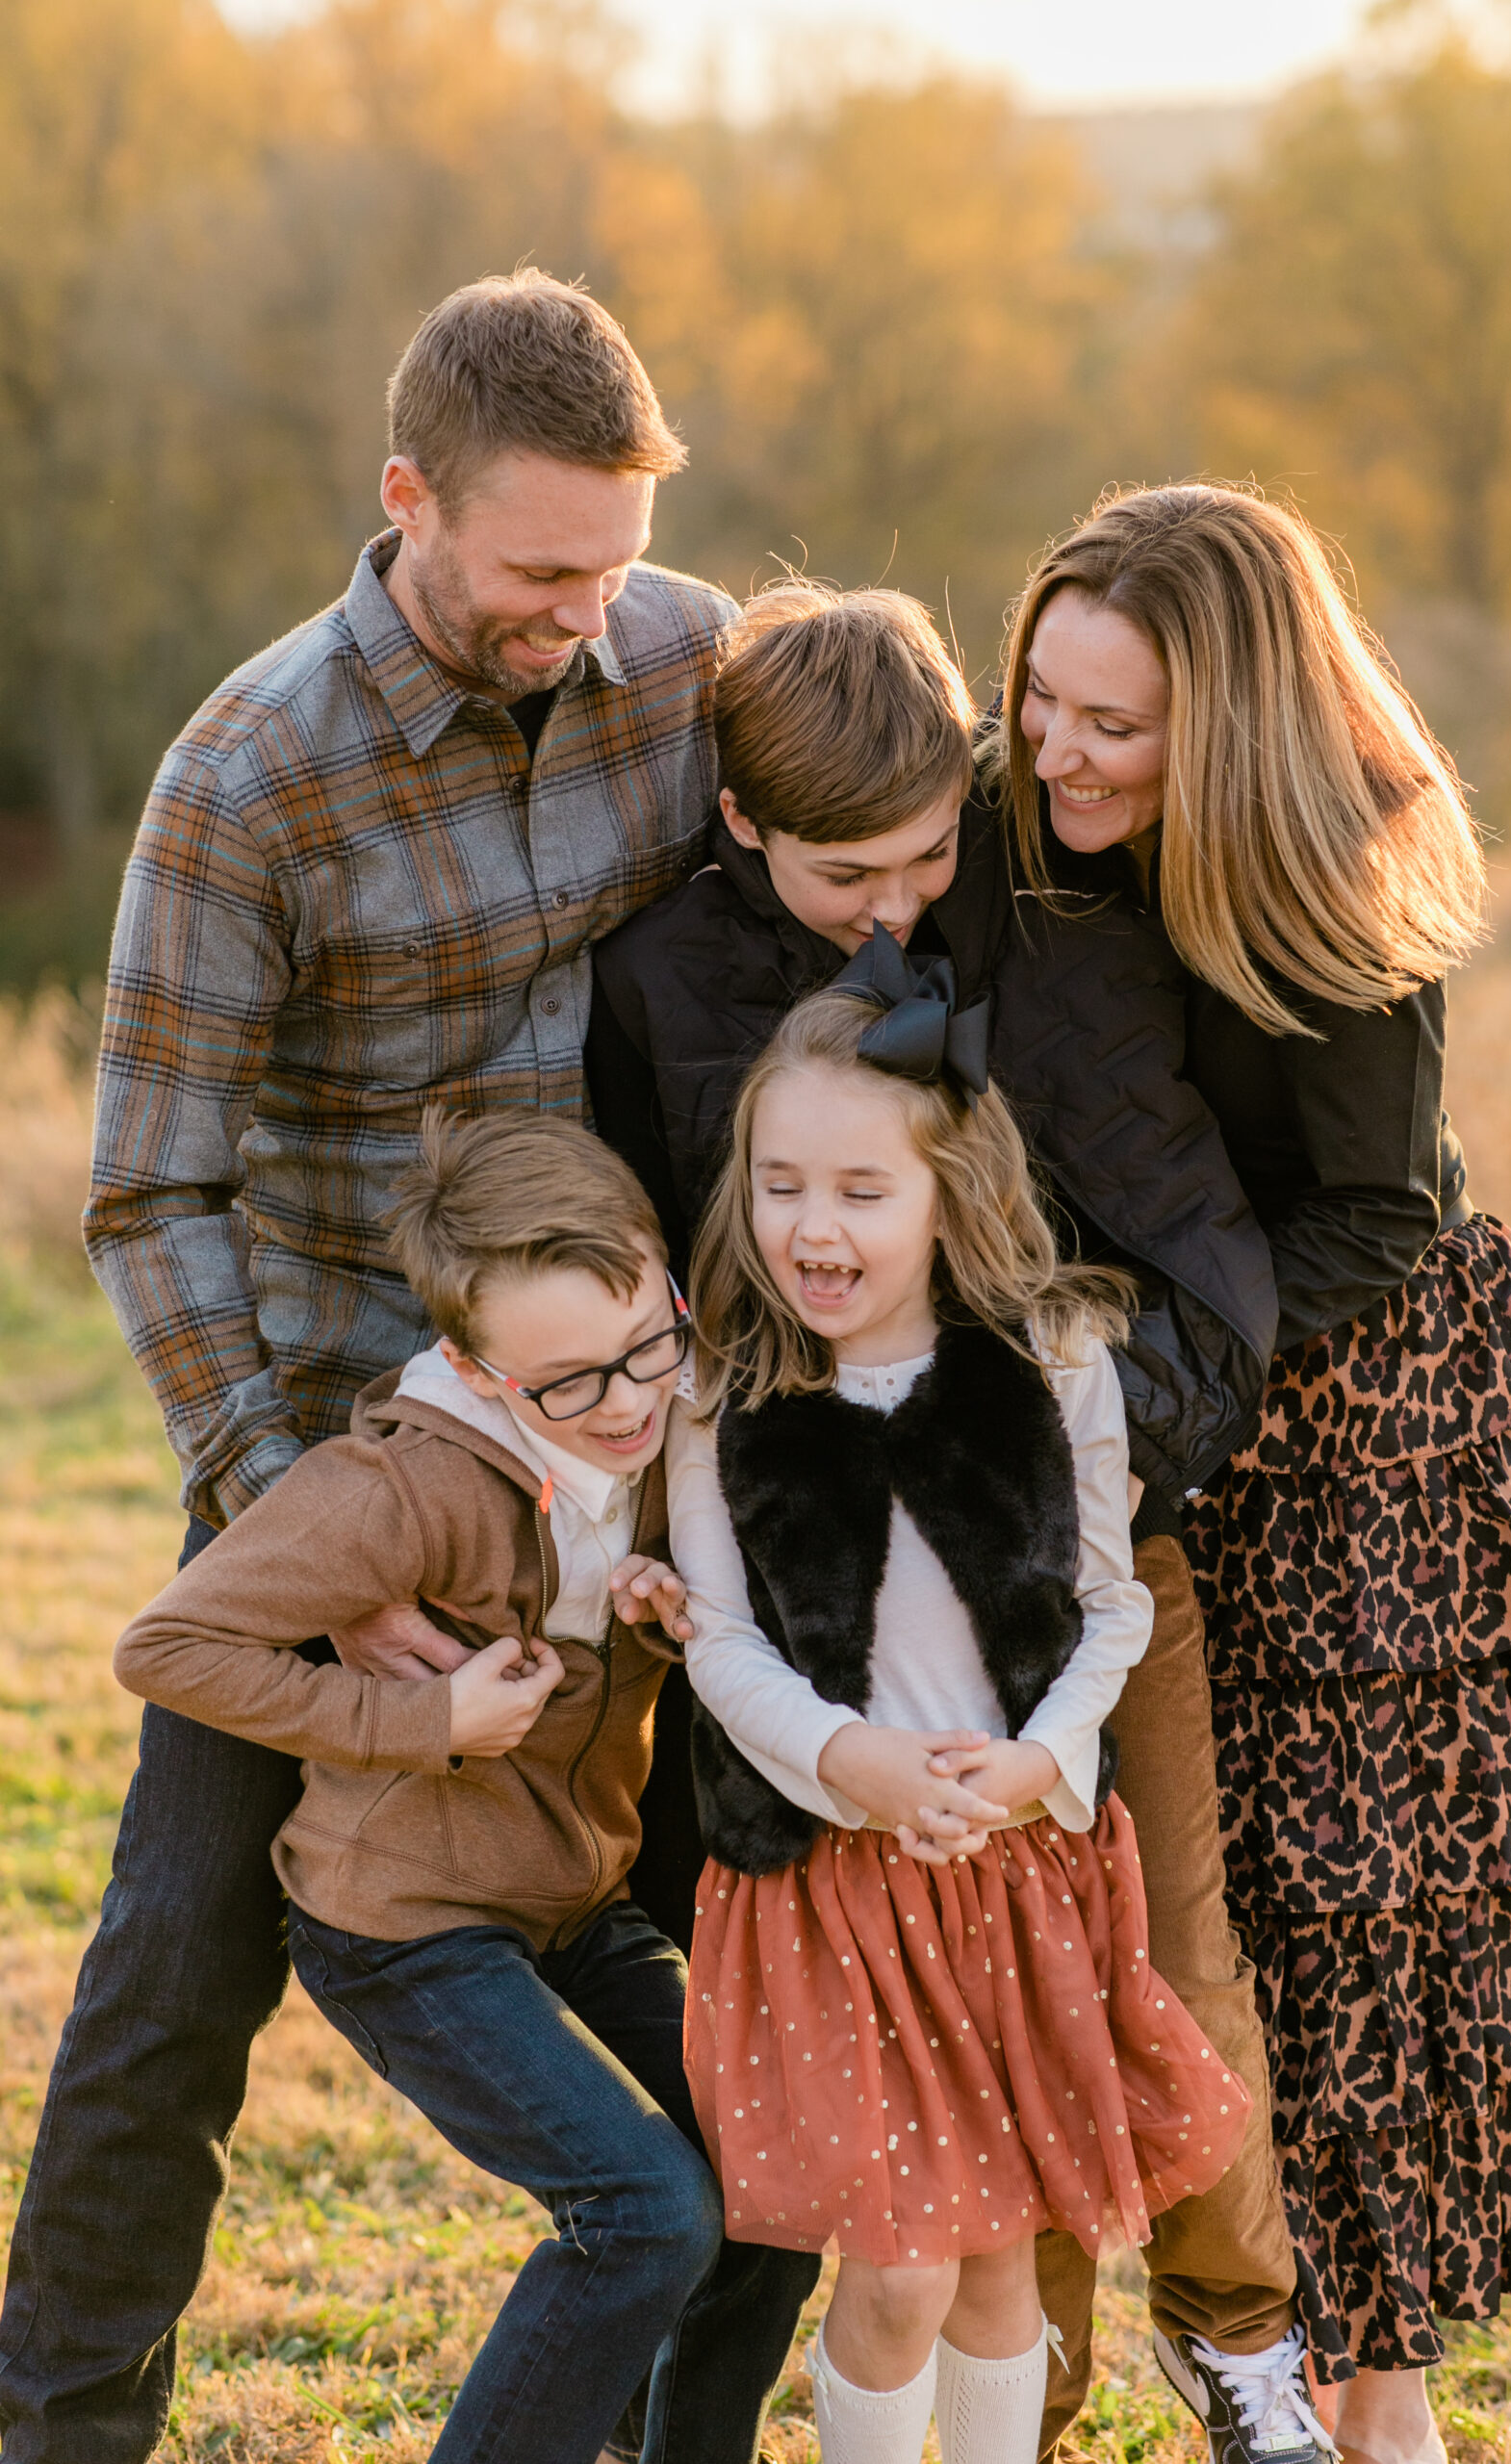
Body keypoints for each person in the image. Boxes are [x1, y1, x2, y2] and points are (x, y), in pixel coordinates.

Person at [0, 270, 742, 2464]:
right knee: (170, 1977)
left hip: (623, 1425)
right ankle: (61, 2425)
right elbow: (151, 1192)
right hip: (352, 1447)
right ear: (403, 497)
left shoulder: (685, 656)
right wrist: (296, 1534)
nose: (582, 612)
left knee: (681, 1936)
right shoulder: (249, 774)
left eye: (612, 561)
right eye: (536, 569)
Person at [592, 582, 1324, 2463]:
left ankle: (1223, 2339)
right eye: (853, 869)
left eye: (930, 848)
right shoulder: (662, 985)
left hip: (1048, 1552)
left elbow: (1176, 1256)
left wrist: (1054, 1444)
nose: (903, 900)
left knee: (1135, 1983)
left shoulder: (1029, 908)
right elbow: (672, 1278)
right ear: (743, 825)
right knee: (893, 2191)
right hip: (810, 1600)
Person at [987, 479, 1511, 2464]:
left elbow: (1367, 1213)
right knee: (1197, 1900)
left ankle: (1374, 2400)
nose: (1058, 749)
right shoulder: (1031, 820)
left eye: (1115, 723)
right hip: (1167, 1399)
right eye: (1041, 699)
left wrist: (1188, 1377)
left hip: (1365, 1420)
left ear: (1231, 724)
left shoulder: (1330, 861)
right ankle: (1160, 2327)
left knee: (1359, 1912)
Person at [108, 1109, 815, 2464]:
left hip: (574, 1896)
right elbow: (167, 1645)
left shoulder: (674, 1430)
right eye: (563, 1384)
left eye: (643, 1350)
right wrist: (420, 1716)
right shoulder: (399, 1486)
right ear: (476, 1371)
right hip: (408, 1925)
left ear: (667, 1289)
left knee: (776, 2177)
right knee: (649, 2210)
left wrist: (671, 1612)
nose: (619, 1403)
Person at [666, 974, 1267, 2464]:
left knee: (1002, 2263)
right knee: (903, 2268)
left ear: (950, 1191)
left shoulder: (1053, 1362)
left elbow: (1111, 1605)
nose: (815, 1228)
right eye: (782, 1184)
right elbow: (720, 1638)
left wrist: (1038, 1763)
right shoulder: (722, 1386)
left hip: (1016, 1871)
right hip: (831, 1892)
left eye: (864, 1189)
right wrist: (846, 1758)